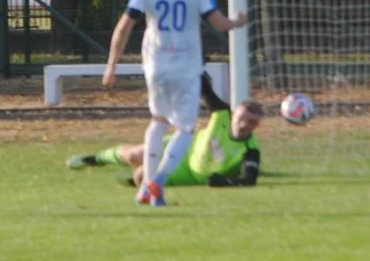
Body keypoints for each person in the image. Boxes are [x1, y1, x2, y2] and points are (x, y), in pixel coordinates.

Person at [103, 0, 248, 207]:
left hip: (156, 65)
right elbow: (218, 24)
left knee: (158, 121)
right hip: (185, 67)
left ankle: (146, 188)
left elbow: (124, 27)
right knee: (185, 129)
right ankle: (157, 181)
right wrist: (237, 22)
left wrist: (111, 65)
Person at [69, 73, 263, 189]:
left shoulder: (250, 150)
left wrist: (224, 182)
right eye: (242, 118)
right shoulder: (221, 114)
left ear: (257, 126)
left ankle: (135, 180)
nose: (245, 124)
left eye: (252, 122)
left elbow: (248, 179)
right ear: (234, 113)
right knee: (135, 154)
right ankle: (95, 159)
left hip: (190, 174)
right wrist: (194, 63)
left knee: (142, 176)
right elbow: (204, 88)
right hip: (185, 147)